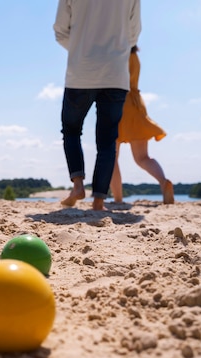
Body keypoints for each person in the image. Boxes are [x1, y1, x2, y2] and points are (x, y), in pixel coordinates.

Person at [54, 0, 141, 211]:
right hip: (116, 72)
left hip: (81, 71)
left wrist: (80, 47)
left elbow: (60, 31)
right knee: (107, 140)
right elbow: (133, 34)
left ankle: (77, 186)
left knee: (71, 130)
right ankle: (99, 200)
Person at [110, 46, 174, 204]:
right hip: (135, 103)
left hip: (117, 103)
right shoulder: (133, 55)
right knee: (142, 157)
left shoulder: (114, 53)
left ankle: (118, 199)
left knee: (111, 158)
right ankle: (163, 182)